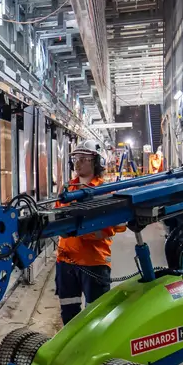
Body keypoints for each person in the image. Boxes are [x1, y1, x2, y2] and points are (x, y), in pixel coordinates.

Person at [55, 139, 126, 325]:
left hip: (93, 261)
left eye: (83, 158)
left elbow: (112, 228)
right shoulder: (67, 188)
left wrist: (80, 232)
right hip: (66, 261)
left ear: (95, 162)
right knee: (68, 311)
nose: (77, 162)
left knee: (96, 315)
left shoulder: (104, 191)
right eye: (75, 158)